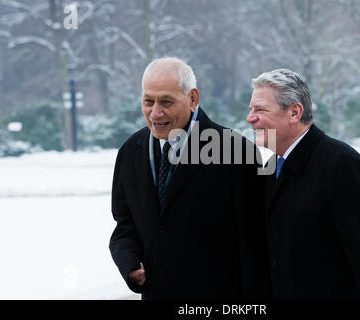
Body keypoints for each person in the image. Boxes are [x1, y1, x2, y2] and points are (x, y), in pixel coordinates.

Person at [109, 57, 271, 300]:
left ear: (193, 99)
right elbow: (125, 224)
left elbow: (256, 244)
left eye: (166, 101)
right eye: (148, 101)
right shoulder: (131, 151)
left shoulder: (235, 152)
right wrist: (129, 262)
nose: (155, 112)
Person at [246, 68, 360, 299]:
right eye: (251, 109)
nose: (250, 118)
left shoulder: (342, 165)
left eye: (260, 109)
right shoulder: (269, 167)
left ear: (294, 112)